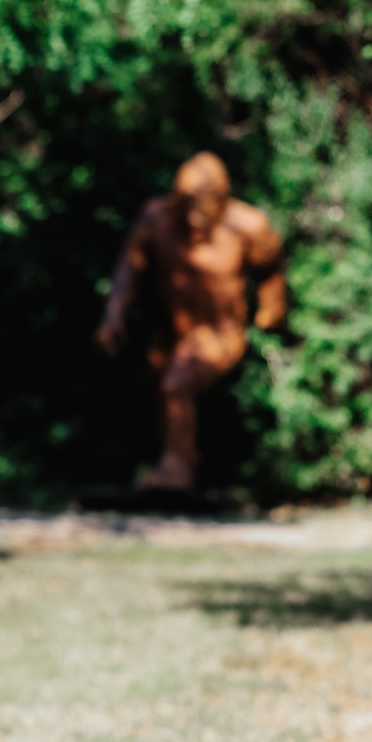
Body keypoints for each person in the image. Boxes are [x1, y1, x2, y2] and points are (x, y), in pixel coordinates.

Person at [94, 151, 289, 492]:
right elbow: (129, 268)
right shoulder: (157, 220)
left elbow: (272, 266)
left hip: (220, 332)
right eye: (188, 206)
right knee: (162, 388)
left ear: (222, 202)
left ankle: (177, 469)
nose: (195, 218)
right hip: (171, 333)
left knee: (177, 383)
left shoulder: (247, 226)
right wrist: (113, 315)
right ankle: (183, 461)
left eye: (205, 206)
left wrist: (271, 307)